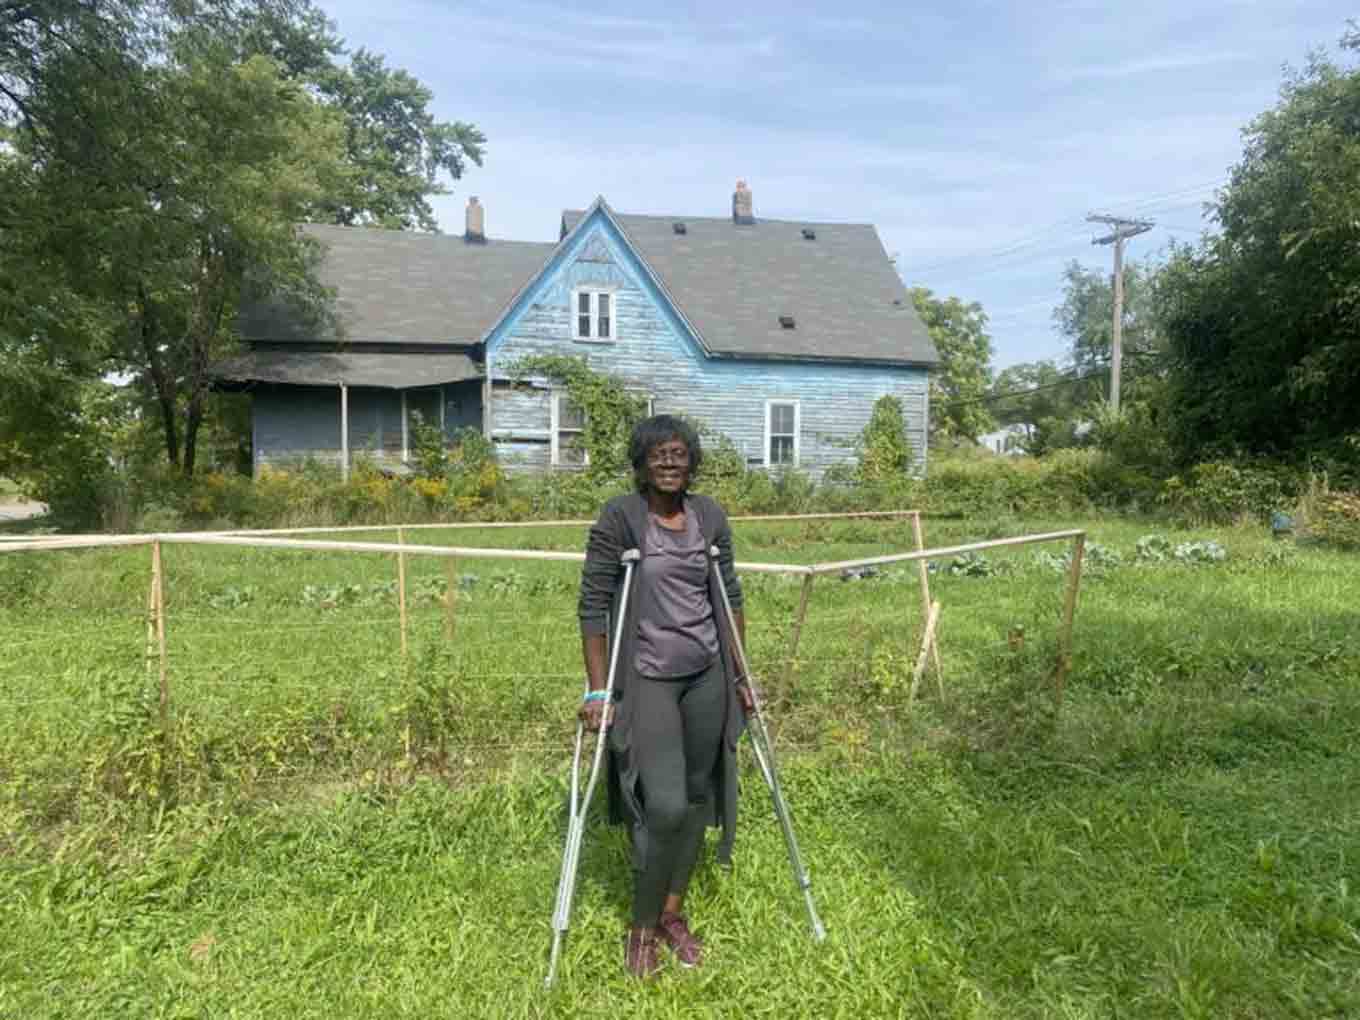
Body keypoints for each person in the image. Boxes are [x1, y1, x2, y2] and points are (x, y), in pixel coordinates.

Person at [576, 414, 754, 978]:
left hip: (707, 674)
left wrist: (743, 675)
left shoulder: (710, 517)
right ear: (641, 463)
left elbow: (730, 597)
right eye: (659, 454)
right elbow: (592, 606)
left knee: (698, 799)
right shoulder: (621, 517)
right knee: (667, 805)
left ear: (692, 461)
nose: (670, 462)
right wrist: (600, 689)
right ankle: (641, 929)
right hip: (649, 676)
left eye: (679, 453)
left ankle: (671, 914)